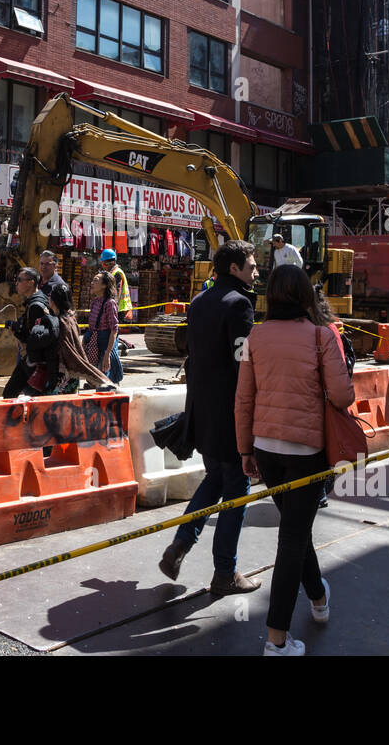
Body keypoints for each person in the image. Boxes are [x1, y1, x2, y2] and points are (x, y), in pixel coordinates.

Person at [236, 264, 353, 656]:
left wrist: (245, 450)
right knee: (291, 540)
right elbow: (343, 396)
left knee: (295, 530)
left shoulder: (255, 335)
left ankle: (318, 599)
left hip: (266, 450)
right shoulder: (321, 336)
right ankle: (276, 640)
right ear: (305, 296)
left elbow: (244, 399)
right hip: (306, 453)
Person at [158, 240, 262, 597]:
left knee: (215, 478)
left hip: (201, 414)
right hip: (231, 416)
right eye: (251, 266)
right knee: (237, 491)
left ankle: (181, 543)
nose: (256, 272)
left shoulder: (200, 302)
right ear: (234, 268)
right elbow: (243, 366)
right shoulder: (240, 305)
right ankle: (225, 573)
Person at [45, 283, 113, 393]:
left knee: (56, 406)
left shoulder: (60, 322)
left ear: (53, 301)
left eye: (50, 296)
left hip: (62, 374)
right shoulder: (70, 317)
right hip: (72, 372)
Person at [2, 267, 54, 399]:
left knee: (18, 395)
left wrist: (17, 330)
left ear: (30, 283)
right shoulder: (39, 299)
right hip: (32, 359)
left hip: (34, 361)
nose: (16, 283)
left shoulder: (36, 305)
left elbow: (35, 337)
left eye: (19, 280)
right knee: (11, 393)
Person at [84, 271, 123, 384]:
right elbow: (91, 327)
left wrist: (108, 354)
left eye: (96, 280)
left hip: (105, 346)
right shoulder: (95, 302)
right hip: (94, 345)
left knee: (106, 382)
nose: (92, 283)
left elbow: (114, 330)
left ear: (104, 285)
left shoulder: (110, 303)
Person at [99, 249, 132, 322]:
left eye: (104, 264)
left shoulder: (117, 273)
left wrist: (110, 307)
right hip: (115, 307)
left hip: (118, 308)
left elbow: (116, 292)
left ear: (111, 263)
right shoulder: (112, 273)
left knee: (113, 331)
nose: (103, 266)